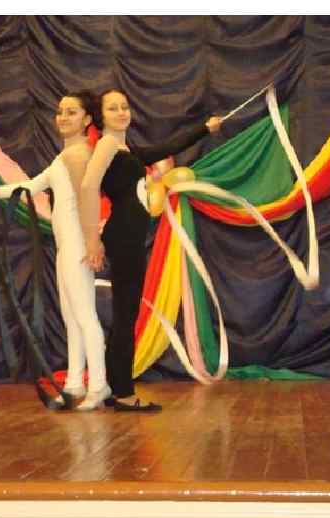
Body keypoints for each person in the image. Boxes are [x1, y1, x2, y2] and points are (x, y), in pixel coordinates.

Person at [80, 88, 222, 412]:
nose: (121, 112)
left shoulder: (125, 149)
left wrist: (204, 129)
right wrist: (92, 240)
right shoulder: (107, 145)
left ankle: (115, 387)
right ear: (101, 117)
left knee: (125, 314)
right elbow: (88, 186)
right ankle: (123, 393)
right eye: (112, 108)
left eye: (124, 106)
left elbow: (166, 148)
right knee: (125, 314)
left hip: (129, 235)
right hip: (123, 236)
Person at [0, 91, 111, 412]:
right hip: (68, 246)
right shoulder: (63, 157)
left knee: (84, 315)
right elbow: (34, 185)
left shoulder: (78, 155)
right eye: (60, 111)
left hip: (78, 244)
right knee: (72, 317)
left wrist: (92, 243)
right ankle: (75, 383)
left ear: (87, 119)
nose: (63, 117)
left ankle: (98, 385)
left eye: (71, 112)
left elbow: (88, 199)